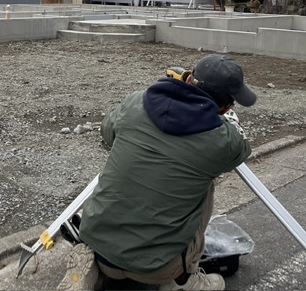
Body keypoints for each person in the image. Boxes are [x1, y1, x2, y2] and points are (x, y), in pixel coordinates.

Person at [57, 54, 256, 291]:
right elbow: (242, 148)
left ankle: (96, 270)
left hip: (97, 244)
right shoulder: (223, 142)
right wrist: (228, 118)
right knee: (206, 183)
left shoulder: (135, 102)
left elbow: (108, 132)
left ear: (188, 79)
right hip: (156, 268)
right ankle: (183, 280)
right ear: (225, 107)